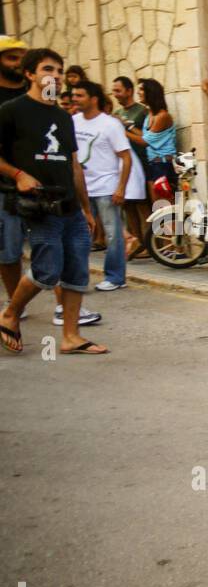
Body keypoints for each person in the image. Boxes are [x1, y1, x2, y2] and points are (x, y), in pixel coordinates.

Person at [0, 48, 107, 356]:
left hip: (69, 206)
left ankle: (71, 336)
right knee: (47, 270)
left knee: (76, 271)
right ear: (30, 74)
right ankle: (10, 313)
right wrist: (18, 174)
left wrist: (87, 209)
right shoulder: (12, 110)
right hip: (39, 204)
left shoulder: (63, 116)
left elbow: (74, 165)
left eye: (60, 71)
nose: (57, 76)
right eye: (49, 69)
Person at [72, 81, 134, 292]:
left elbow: (126, 158)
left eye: (80, 95)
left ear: (93, 99)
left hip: (106, 187)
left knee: (113, 234)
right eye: (74, 95)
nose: (74, 99)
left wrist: (121, 188)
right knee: (79, 235)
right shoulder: (73, 122)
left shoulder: (110, 124)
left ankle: (116, 277)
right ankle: (76, 280)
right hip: (81, 188)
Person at [0, 36, 29, 305]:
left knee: (54, 245)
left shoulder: (35, 91)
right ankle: (14, 303)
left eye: (21, 57)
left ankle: (63, 306)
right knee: (9, 252)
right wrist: (17, 175)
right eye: (12, 57)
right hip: (5, 186)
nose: (18, 63)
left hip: (43, 181)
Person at [109, 76, 151, 259]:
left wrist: (124, 127)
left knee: (143, 205)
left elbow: (146, 138)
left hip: (141, 163)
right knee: (128, 205)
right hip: (122, 166)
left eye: (118, 90)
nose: (115, 94)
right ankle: (137, 241)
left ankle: (152, 244)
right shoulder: (117, 112)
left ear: (129, 91)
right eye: (114, 91)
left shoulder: (142, 112)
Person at [129, 78, 177, 204]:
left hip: (163, 165)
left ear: (150, 92)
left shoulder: (162, 116)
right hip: (153, 165)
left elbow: (145, 142)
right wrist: (128, 126)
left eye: (141, 89)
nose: (138, 92)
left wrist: (121, 132)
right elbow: (146, 136)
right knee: (157, 209)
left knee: (166, 209)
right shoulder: (150, 115)